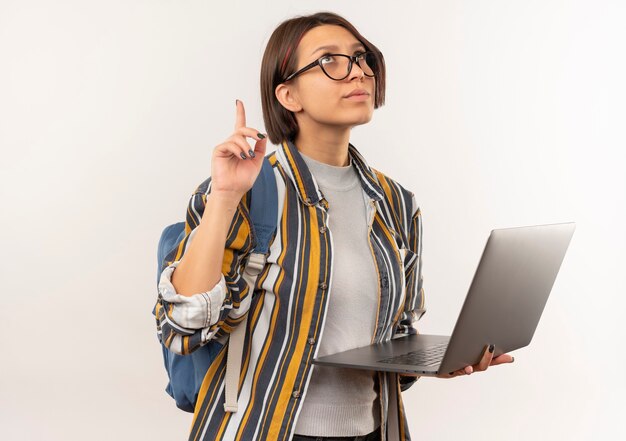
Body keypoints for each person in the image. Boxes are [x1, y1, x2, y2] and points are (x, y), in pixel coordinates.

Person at [154, 11, 514, 441]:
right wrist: (225, 197)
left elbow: (395, 336)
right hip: (263, 429)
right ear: (288, 95)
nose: (357, 72)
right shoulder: (245, 192)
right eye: (330, 60)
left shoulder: (396, 202)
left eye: (361, 58)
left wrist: (437, 360)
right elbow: (183, 327)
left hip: (375, 431)